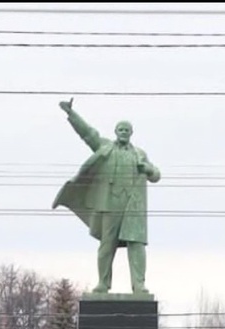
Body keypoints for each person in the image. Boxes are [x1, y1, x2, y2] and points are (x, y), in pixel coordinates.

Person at [52, 98, 162, 295]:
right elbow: (88, 134)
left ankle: (139, 284)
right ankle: (103, 283)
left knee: (136, 246)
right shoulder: (105, 147)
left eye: (127, 130)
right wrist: (71, 114)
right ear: (115, 132)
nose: (123, 132)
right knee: (106, 246)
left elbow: (156, 175)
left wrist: (148, 169)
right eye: (120, 129)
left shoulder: (140, 153)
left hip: (133, 206)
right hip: (110, 204)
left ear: (131, 133)